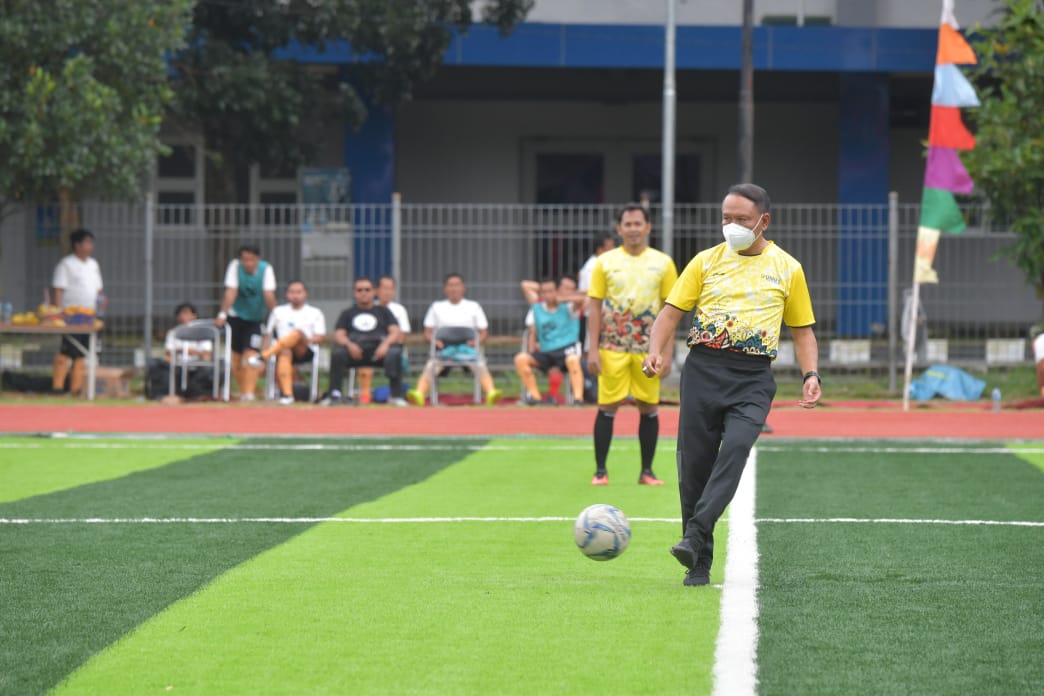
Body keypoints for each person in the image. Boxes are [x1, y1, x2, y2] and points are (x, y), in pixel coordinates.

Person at [643, 183, 821, 587]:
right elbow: (669, 314)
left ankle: (695, 532)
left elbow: (803, 332)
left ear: (763, 221)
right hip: (702, 371)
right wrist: (655, 351)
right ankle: (698, 561)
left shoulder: (788, 268)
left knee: (736, 448)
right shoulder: (705, 261)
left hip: (753, 378)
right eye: (726, 218)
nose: (732, 225)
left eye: (742, 219)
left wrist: (811, 375)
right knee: (694, 467)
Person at [586, 205, 678, 486]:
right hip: (612, 346)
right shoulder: (605, 262)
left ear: (648, 227)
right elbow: (594, 306)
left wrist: (667, 353)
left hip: (648, 350)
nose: (633, 229)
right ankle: (600, 471)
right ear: (619, 229)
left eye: (638, 223)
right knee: (607, 405)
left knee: (648, 406)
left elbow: (671, 309)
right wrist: (592, 349)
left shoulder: (663, 263)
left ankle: (647, 472)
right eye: (628, 224)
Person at [406, 272, 503, 406]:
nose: (454, 289)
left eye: (457, 285)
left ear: (463, 288)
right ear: (445, 289)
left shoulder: (474, 306)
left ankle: (491, 392)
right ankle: (420, 393)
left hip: (468, 351)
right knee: (431, 365)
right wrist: (435, 342)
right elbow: (427, 332)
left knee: (480, 364)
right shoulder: (436, 307)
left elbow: (484, 332)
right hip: (444, 351)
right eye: (450, 285)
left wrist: (475, 342)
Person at [323, 276, 407, 407]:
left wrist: (385, 345)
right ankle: (335, 395)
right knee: (337, 353)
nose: (363, 293)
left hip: (379, 352)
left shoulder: (384, 311)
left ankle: (396, 396)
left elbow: (395, 332)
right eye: (359, 290)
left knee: (395, 352)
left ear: (374, 292)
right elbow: (339, 335)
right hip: (355, 351)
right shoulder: (347, 313)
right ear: (354, 292)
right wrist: (349, 345)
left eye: (367, 290)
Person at [246, 280, 327, 405]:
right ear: (287, 294)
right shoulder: (278, 311)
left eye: (299, 292)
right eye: (292, 292)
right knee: (285, 351)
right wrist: (265, 347)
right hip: (282, 350)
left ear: (305, 294)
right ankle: (287, 394)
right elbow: (268, 334)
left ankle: (263, 357)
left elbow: (320, 337)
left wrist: (304, 338)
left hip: (304, 349)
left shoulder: (315, 312)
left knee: (297, 333)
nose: (295, 296)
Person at [215, 243, 277, 401]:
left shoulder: (266, 269)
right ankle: (243, 390)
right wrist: (222, 313)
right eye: (245, 259)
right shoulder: (235, 267)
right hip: (235, 316)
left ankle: (249, 392)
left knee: (251, 354)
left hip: (254, 319)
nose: (248, 263)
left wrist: (275, 314)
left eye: (251, 259)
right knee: (236, 356)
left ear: (258, 259)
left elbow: (268, 294)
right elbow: (231, 291)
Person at [51, 228, 106, 395]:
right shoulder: (67, 264)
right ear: (77, 245)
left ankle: (76, 388)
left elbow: (98, 289)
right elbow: (58, 288)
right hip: (71, 315)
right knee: (67, 349)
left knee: (83, 351)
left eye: (91, 243)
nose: (90, 246)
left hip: (89, 315)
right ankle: (58, 387)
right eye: (87, 243)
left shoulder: (93, 264)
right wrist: (59, 311)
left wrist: (101, 301)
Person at [514, 277, 584, 405]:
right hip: (546, 351)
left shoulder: (568, 307)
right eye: (544, 292)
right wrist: (542, 287)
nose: (548, 295)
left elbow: (582, 300)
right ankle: (535, 397)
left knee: (573, 360)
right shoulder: (537, 307)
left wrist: (561, 298)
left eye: (551, 291)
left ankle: (578, 398)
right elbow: (525, 285)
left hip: (566, 350)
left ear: (557, 291)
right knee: (521, 359)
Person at [353, 275, 412, 404]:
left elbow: (402, 335)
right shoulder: (368, 308)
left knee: (394, 355)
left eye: (391, 289)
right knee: (364, 355)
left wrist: (386, 346)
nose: (387, 292)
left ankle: (395, 395)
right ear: (376, 290)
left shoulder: (399, 310)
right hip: (370, 348)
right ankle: (365, 394)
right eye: (384, 288)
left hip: (392, 349)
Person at [146, 302, 214, 401]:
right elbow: (168, 355)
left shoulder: (203, 332)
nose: (183, 316)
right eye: (180, 314)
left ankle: (198, 395)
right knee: (157, 365)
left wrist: (192, 352)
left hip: (197, 367)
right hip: (178, 366)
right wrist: (180, 351)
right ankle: (166, 395)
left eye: (186, 313)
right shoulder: (173, 332)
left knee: (209, 370)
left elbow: (207, 356)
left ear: (194, 316)